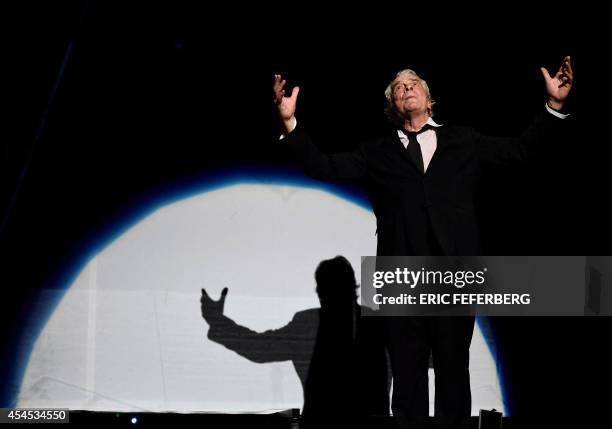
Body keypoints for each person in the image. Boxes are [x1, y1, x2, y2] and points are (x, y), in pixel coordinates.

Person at [272, 57, 573, 429]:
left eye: (413, 83)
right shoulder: (377, 152)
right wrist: (290, 123)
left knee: (452, 372)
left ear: (430, 101)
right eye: (398, 87)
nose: (406, 88)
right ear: (392, 106)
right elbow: (324, 166)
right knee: (408, 376)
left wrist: (554, 106)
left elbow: (521, 150)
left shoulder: (464, 140)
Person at [201, 256, 389, 424]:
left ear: (320, 291)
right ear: (353, 286)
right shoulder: (384, 324)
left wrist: (218, 322)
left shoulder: (306, 325)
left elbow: (259, 347)